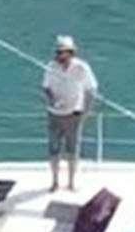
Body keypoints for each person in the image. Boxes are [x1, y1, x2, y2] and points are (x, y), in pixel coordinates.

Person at [41, 34, 98, 192]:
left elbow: (92, 89)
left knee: (72, 150)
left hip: (73, 114)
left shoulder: (82, 68)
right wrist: (51, 99)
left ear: (71, 52)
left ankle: (71, 183)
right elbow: (45, 87)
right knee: (53, 148)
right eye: (58, 52)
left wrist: (86, 111)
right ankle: (54, 182)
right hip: (54, 114)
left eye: (62, 52)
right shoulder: (51, 67)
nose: (59, 55)